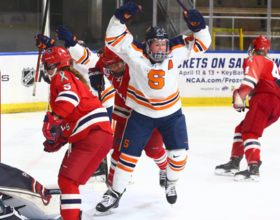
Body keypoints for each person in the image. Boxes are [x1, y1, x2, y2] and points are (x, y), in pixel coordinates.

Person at [95, 1, 211, 214]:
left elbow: (203, 44)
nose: (161, 49)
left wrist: (199, 28)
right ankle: (115, 193)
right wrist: (118, 19)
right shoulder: (134, 52)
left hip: (171, 115)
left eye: (163, 45)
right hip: (141, 115)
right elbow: (112, 39)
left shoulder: (176, 49)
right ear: (147, 45)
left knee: (178, 156)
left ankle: (171, 182)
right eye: (156, 45)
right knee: (126, 158)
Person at [41, 46, 113, 220]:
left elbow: (69, 97)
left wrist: (55, 118)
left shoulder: (61, 76)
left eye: (47, 65)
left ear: (53, 65)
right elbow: (74, 117)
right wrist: (58, 140)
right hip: (93, 135)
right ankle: (70, 216)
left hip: (92, 134)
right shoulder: (71, 77)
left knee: (68, 181)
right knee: (66, 180)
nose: (46, 70)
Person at [35, 33, 115, 183]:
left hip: (103, 102)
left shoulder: (89, 59)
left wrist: (56, 117)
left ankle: (107, 167)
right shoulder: (71, 65)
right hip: (89, 103)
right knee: (83, 133)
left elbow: (64, 69)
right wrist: (49, 47)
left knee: (102, 135)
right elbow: (58, 61)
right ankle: (90, 164)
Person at [90, 46, 168, 188]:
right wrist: (95, 73)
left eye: (118, 63)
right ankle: (113, 189)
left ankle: (165, 168)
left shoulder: (138, 67)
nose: (115, 68)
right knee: (118, 151)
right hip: (123, 114)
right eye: (111, 65)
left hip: (146, 114)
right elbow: (97, 66)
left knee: (153, 151)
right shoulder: (105, 62)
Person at [215, 36, 280, 181]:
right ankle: (234, 161)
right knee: (241, 128)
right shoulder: (273, 64)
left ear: (254, 48)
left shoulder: (253, 59)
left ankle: (253, 168)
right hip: (275, 104)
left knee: (250, 132)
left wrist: (239, 98)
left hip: (262, 100)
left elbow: (250, 81)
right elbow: (272, 85)